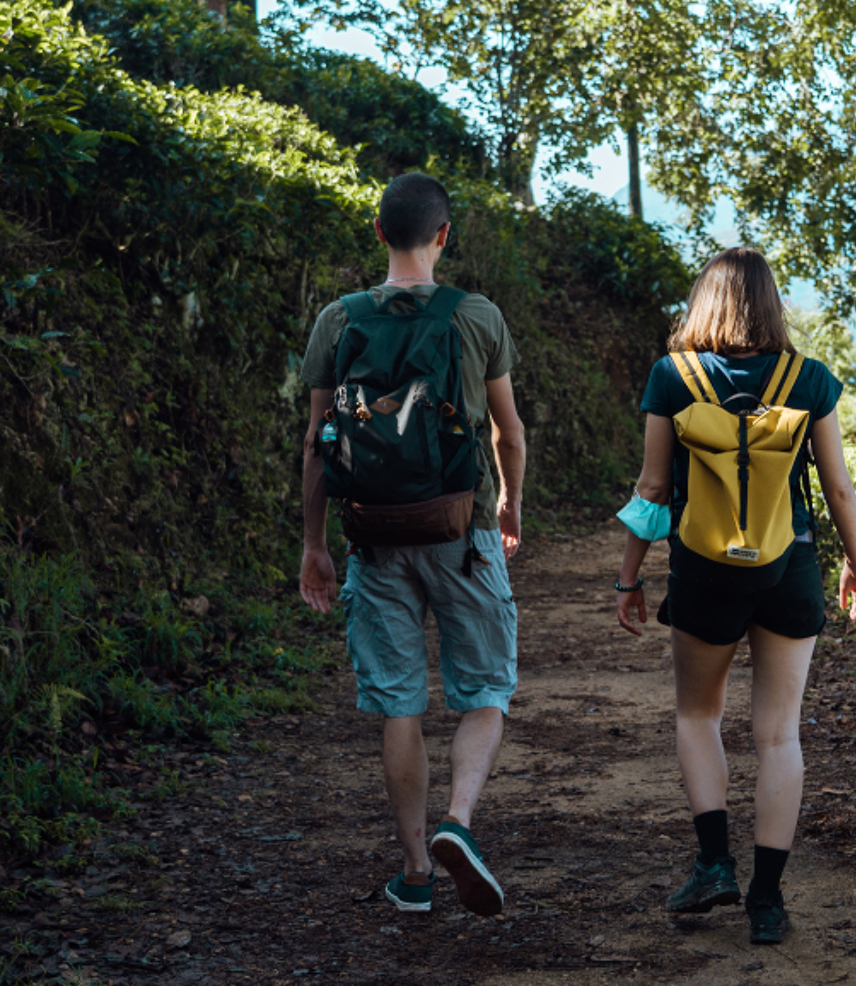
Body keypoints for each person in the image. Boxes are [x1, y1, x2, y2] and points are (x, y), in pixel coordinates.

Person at [613, 247, 856, 945]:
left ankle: (713, 865)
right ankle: (766, 901)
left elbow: (653, 489)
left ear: (704, 301)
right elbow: (838, 487)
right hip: (788, 567)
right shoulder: (809, 378)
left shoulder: (673, 377)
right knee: (779, 733)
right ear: (771, 304)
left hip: (703, 571)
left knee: (698, 715)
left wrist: (630, 575)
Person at [297, 172, 526, 917]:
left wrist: (314, 544)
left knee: (399, 702)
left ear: (377, 233)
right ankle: (459, 822)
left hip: (373, 534)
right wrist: (509, 503)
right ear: (444, 235)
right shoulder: (477, 316)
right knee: (485, 690)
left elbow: (315, 442)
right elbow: (508, 432)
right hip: (463, 531)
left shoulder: (339, 319)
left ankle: (416, 871)